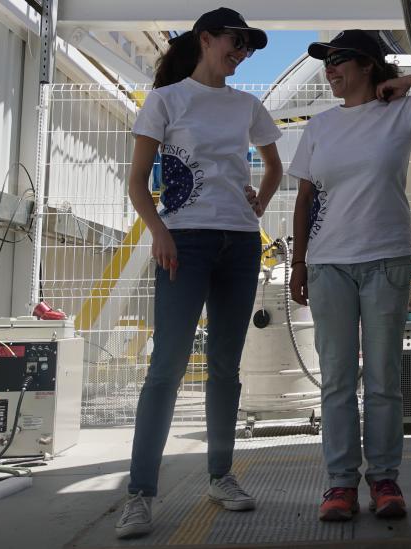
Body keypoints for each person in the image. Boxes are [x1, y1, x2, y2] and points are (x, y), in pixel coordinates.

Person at [287, 29, 411, 522]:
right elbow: (304, 200)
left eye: (338, 61)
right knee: (338, 381)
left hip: (387, 262)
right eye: (325, 63)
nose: (329, 70)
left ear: (368, 65)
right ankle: (341, 484)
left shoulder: (402, 112)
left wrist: (407, 79)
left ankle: (385, 479)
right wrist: (299, 262)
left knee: (385, 378)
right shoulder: (319, 127)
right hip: (328, 266)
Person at [115, 7, 282, 539]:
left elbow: (273, 167)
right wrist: (159, 231)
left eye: (248, 47)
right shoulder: (166, 100)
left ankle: (220, 475)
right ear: (206, 38)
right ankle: (140, 493)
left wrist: (258, 205)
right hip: (182, 243)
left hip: (239, 242)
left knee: (225, 366)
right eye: (235, 42)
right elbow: (138, 182)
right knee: (166, 366)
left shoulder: (247, 106)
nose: (241, 53)